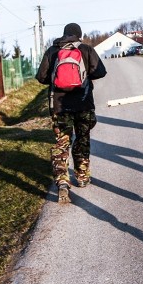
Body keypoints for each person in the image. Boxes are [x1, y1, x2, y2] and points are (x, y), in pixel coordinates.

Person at [36, 22, 107, 204]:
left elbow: (41, 77)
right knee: (82, 139)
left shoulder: (53, 51)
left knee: (61, 143)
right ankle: (82, 176)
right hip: (83, 104)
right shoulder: (85, 49)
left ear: (64, 34)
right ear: (79, 35)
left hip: (59, 107)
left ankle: (62, 182)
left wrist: (57, 80)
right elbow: (100, 71)